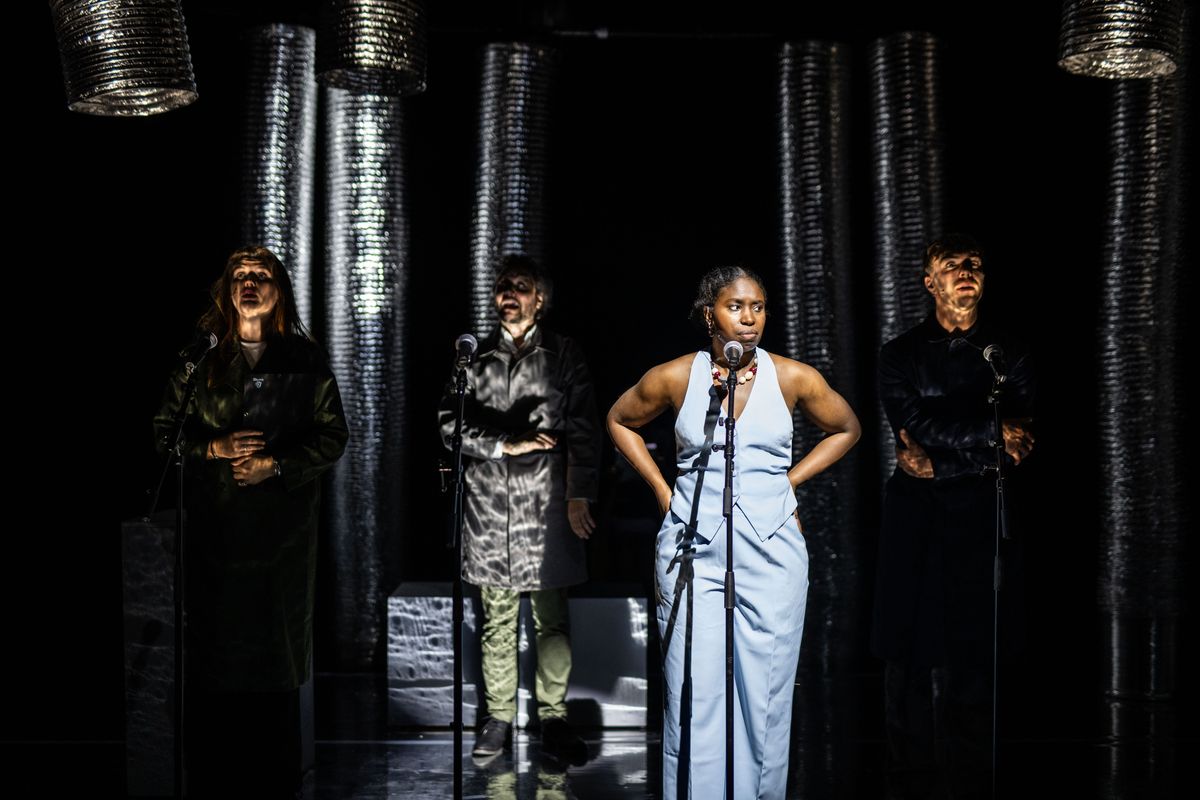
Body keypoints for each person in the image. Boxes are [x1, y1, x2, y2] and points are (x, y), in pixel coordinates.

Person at [606, 266, 860, 799]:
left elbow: (846, 428)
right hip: (692, 543)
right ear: (709, 315)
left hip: (772, 549)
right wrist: (663, 491)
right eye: (735, 306)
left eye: (758, 307)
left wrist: (789, 482)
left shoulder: (792, 376)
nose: (749, 319)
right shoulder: (678, 375)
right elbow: (620, 419)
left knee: (764, 695)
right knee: (692, 690)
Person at [153, 245, 348, 797]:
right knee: (215, 671)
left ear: (277, 290)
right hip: (215, 542)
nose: (248, 283)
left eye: (260, 275)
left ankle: (276, 780)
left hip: (281, 548)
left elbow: (334, 436)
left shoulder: (304, 360)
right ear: (226, 290)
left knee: (274, 673)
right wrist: (212, 447)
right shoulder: (200, 358)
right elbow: (164, 434)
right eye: (239, 275)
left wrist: (277, 465)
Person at [872, 233, 1035, 798]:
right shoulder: (899, 354)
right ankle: (907, 775)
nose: (967, 271)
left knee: (977, 639)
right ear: (929, 282)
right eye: (952, 265)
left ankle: (972, 775)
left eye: (975, 264)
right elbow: (916, 427)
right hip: (914, 512)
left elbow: (1021, 440)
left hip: (980, 507)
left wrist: (942, 461)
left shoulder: (1008, 351)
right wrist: (991, 434)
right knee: (906, 640)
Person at [439, 255, 600, 765]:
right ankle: (499, 719)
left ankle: (553, 718)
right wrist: (504, 444)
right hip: (489, 506)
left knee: (552, 618)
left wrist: (579, 495)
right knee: (497, 619)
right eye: (503, 286)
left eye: (521, 286)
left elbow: (585, 430)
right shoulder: (473, 356)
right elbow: (448, 424)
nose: (509, 293)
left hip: (547, 503)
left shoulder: (563, 352)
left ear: (540, 299)